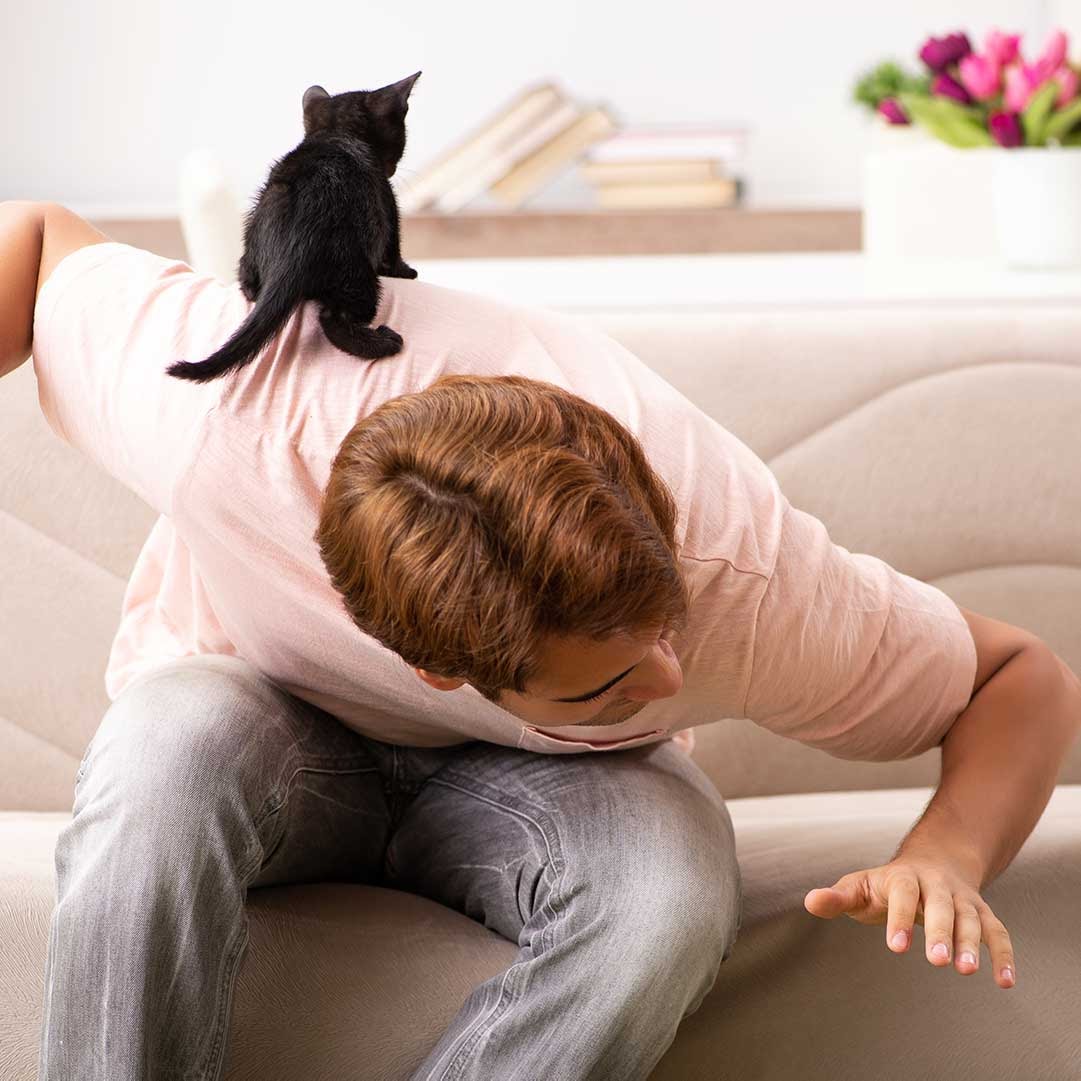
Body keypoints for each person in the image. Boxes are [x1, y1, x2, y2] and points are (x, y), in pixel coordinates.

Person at [3, 200, 1077, 1081]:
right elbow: (38, 242)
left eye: (658, 630)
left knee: (664, 891)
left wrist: (945, 855)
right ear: (441, 670)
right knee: (167, 745)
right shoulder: (221, 406)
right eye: (612, 683)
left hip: (548, 793)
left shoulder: (743, 585)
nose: (669, 675)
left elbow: (1015, 675)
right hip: (268, 732)